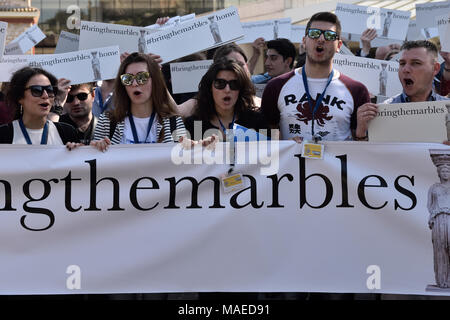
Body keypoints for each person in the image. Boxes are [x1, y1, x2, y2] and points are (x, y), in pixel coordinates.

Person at [260, 12, 370, 141]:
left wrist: (362, 134)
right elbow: (264, 136)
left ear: (339, 46)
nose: (321, 39)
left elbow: (363, 150)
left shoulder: (357, 90)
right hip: (292, 161)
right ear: (304, 41)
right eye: (314, 33)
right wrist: (282, 145)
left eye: (329, 35)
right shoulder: (276, 86)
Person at [358, 40, 450, 144]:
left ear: (435, 68)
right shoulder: (380, 113)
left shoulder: (448, 110)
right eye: (402, 63)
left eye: (416, 63)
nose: (405, 69)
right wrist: (361, 134)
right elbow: (370, 158)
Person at [92, 52, 185, 148]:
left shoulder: (173, 121)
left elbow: (184, 159)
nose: (135, 83)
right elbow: (93, 159)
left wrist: (198, 149)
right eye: (128, 78)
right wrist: (95, 148)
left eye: (142, 77)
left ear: (155, 80)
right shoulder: (106, 122)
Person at [184, 58, 269, 141]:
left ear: (241, 89)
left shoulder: (257, 121)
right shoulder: (194, 124)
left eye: (234, 84)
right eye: (220, 83)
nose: (227, 90)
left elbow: (270, 152)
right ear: (210, 87)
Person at [0, 67, 79, 148]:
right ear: (20, 97)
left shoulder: (67, 132)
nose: (45, 96)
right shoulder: (3, 135)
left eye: (49, 90)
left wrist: (80, 152)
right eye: (36, 90)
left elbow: (80, 159)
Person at [427, 157, 450, 288]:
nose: (445, 173)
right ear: (439, 173)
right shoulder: (434, 188)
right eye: (443, 171)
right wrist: (434, 215)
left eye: (448, 171)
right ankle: (442, 281)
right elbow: (429, 205)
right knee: (440, 250)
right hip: (439, 219)